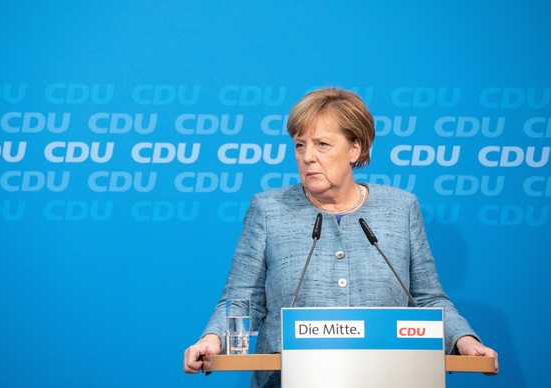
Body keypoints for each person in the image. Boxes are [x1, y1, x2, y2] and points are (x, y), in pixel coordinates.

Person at [183, 87, 499, 386]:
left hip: (388, 379)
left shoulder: (400, 209)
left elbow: (428, 300)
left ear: (355, 148)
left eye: (322, 144)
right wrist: (212, 339)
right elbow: (242, 301)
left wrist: (465, 341)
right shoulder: (269, 209)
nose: (307, 157)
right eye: (299, 144)